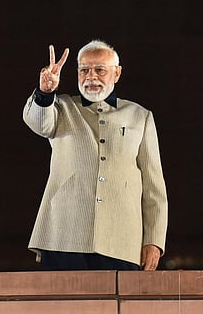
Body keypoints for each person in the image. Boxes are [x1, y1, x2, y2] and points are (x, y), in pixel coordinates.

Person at [23, 39, 168, 271]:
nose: (91, 76)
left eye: (100, 70)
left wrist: (154, 240)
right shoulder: (60, 107)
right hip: (63, 236)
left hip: (122, 241)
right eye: (84, 70)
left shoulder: (140, 116)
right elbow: (39, 123)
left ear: (117, 73)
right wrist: (45, 92)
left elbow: (154, 187)